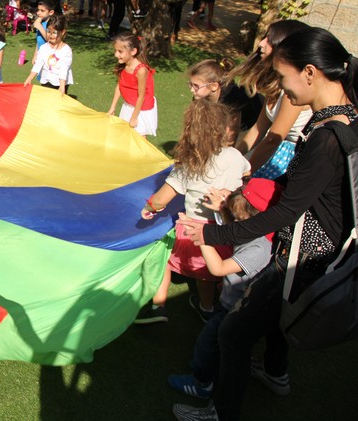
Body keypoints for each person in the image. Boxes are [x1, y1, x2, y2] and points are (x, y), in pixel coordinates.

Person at [175, 27, 358, 421]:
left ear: (310, 73)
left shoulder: (327, 137)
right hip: (315, 253)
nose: (283, 92)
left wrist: (214, 231)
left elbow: (284, 213)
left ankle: (220, 413)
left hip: (304, 258)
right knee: (274, 318)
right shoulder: (345, 117)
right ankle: (275, 372)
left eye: (285, 78)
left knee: (233, 333)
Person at [137, 99, 250, 325]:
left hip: (193, 230)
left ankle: (159, 305)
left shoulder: (191, 164)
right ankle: (206, 306)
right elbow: (247, 173)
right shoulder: (235, 157)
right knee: (208, 273)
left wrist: (149, 208)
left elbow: (162, 199)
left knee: (164, 259)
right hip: (226, 231)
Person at [167, 179, 281, 401]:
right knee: (220, 344)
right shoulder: (257, 231)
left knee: (206, 343)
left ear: (257, 218)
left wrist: (203, 240)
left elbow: (218, 268)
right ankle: (214, 365)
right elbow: (233, 227)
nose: (236, 221)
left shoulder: (259, 249)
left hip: (237, 309)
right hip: (232, 301)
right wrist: (220, 210)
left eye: (239, 217)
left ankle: (202, 383)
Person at [231, 20, 312, 179]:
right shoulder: (276, 86)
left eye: (269, 40)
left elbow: (273, 140)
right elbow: (258, 129)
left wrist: (245, 173)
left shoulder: (292, 93)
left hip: (283, 161)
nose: (261, 44)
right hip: (268, 152)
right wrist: (233, 157)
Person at [186, 58, 264, 140]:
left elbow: (232, 132)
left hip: (254, 122)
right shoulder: (200, 96)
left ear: (214, 86)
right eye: (190, 84)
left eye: (196, 86)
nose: (192, 89)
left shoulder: (231, 98)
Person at [107, 33, 158, 136]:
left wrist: (134, 117)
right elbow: (119, 86)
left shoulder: (141, 70)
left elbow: (142, 96)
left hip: (141, 108)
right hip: (129, 105)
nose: (116, 55)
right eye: (115, 51)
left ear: (133, 51)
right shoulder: (123, 66)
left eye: (120, 51)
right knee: (126, 134)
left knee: (139, 137)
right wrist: (113, 107)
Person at [24, 14, 73, 95]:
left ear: (63, 32)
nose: (50, 35)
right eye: (48, 31)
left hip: (61, 82)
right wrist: (29, 78)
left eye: (54, 32)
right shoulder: (44, 48)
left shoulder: (66, 50)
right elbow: (38, 64)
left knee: (58, 104)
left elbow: (64, 68)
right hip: (46, 80)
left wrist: (62, 85)